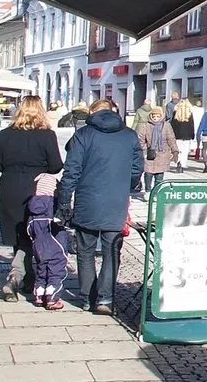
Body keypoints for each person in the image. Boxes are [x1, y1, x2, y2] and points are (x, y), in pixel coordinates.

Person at [55, 98, 144, 314]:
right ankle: (105, 299)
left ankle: (87, 298)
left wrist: (64, 200)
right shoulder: (129, 135)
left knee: (85, 251)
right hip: (116, 201)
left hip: (87, 200)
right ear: (114, 112)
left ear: (93, 112)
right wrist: (125, 186)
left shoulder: (84, 135)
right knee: (112, 251)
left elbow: (71, 171)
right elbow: (136, 170)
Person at [0, 95, 63, 302]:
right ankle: (23, 277)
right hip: (35, 186)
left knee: (18, 233)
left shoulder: (5, 135)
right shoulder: (46, 135)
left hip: (10, 187)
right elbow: (56, 165)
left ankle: (23, 277)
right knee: (34, 232)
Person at [26, 173, 68, 310]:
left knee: (41, 268)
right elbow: (62, 226)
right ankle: (52, 298)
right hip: (56, 245)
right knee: (56, 269)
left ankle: (39, 294)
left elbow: (29, 229)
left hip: (38, 245)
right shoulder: (54, 207)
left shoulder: (33, 207)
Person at [137, 106, 177, 194]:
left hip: (162, 153)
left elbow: (171, 138)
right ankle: (147, 191)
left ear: (161, 116)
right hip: (150, 154)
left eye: (158, 116)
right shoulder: (146, 125)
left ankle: (156, 193)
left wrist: (175, 151)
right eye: (154, 116)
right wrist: (144, 150)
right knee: (148, 173)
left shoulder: (166, 126)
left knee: (159, 175)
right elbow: (141, 139)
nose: (155, 118)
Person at [169, 99, 195, 171]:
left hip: (177, 135)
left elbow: (173, 125)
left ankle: (178, 162)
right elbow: (191, 125)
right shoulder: (189, 114)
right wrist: (192, 135)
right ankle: (182, 164)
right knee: (185, 151)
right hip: (187, 136)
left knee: (178, 150)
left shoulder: (176, 113)